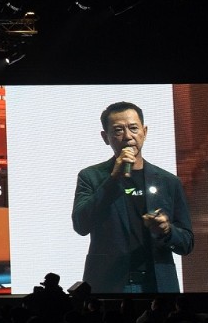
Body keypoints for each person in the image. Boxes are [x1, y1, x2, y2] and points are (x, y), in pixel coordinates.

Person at [71, 101, 192, 293]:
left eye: (133, 128)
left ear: (144, 131)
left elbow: (186, 243)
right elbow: (81, 225)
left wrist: (167, 230)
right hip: (109, 285)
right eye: (118, 130)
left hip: (158, 286)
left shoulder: (169, 181)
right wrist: (113, 179)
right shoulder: (91, 177)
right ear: (105, 137)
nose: (128, 136)